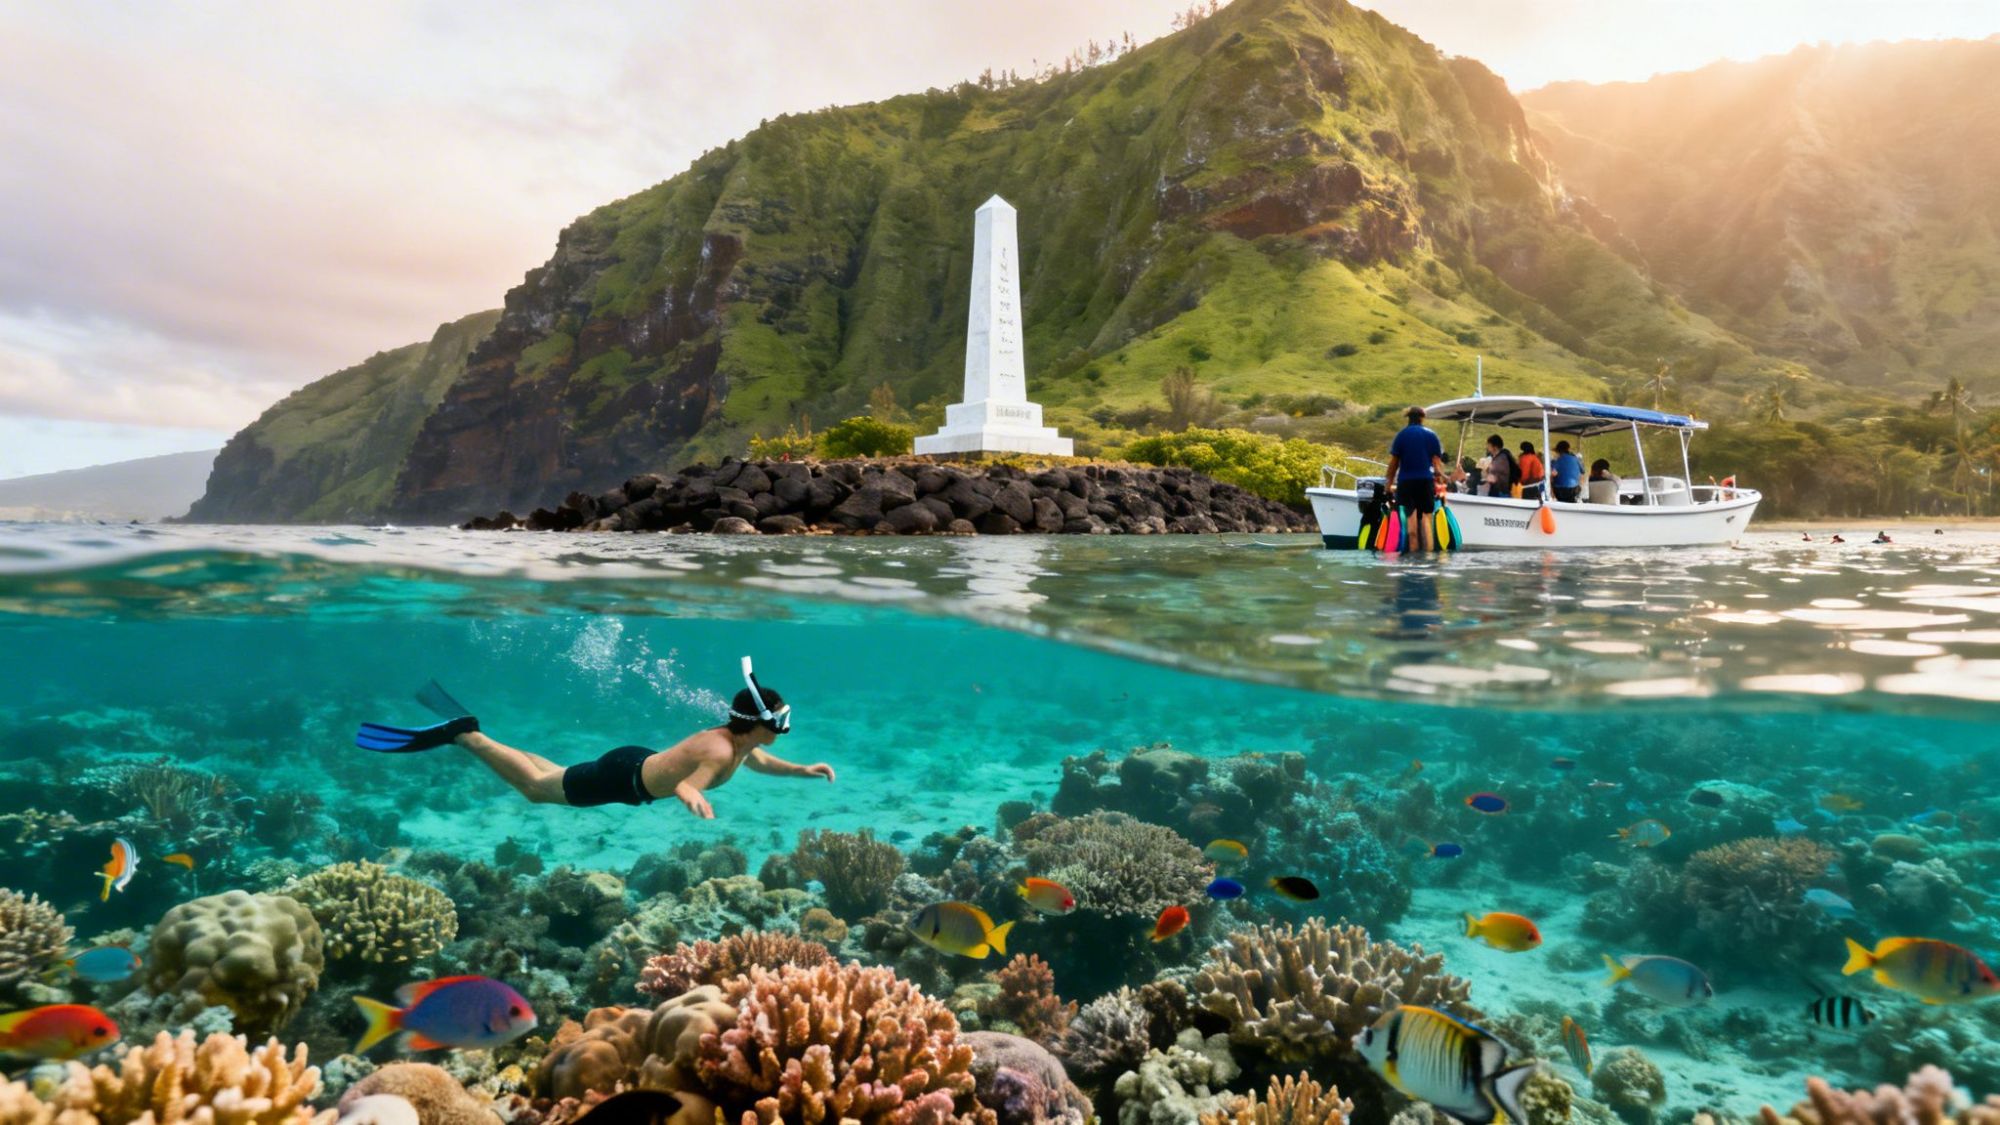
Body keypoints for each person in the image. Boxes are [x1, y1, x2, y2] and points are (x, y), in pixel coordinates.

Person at [353, 659, 835, 815]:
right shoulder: (717, 749)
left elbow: (758, 763)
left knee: (557, 775)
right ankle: (467, 738)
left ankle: (478, 736)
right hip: (622, 779)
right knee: (538, 791)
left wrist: (803, 771)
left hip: (633, 766)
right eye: (780, 717)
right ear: (759, 721)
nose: (785, 726)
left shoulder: (740, 742)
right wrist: (693, 800)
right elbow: (694, 782)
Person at [1386, 404, 1448, 551]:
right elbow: (1437, 465)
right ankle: (1428, 556)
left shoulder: (1401, 436)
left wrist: (1388, 484)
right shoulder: (1431, 435)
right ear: (1422, 418)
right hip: (1425, 481)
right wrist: (1440, 480)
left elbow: (1394, 464)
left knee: (1411, 522)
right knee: (1426, 519)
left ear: (1408, 418)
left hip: (1406, 482)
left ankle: (1413, 556)